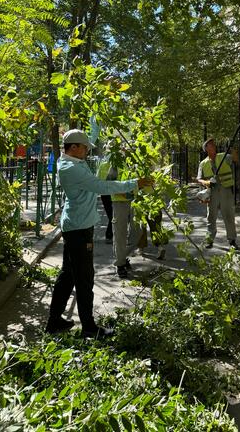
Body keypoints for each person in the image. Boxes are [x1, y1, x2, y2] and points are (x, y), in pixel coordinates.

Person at [45, 129, 151, 338]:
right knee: (84, 278)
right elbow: (100, 186)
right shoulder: (71, 168)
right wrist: (134, 183)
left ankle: (54, 321)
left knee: (68, 275)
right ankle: (89, 328)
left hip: (75, 224)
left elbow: (95, 183)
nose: (87, 151)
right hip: (79, 229)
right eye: (84, 147)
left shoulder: (71, 162)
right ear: (73, 147)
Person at [197, 137, 238, 250]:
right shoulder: (203, 163)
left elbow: (235, 159)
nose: (214, 145)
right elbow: (198, 178)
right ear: (206, 148)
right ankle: (209, 240)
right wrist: (206, 182)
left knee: (229, 216)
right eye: (211, 144)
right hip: (212, 193)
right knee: (211, 217)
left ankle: (232, 240)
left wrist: (232, 148)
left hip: (226, 191)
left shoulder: (224, 156)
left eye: (214, 144)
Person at [97, 148, 113, 244]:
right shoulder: (119, 164)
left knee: (111, 215)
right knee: (112, 215)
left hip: (105, 193)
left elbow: (98, 178)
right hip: (113, 193)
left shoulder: (102, 165)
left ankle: (110, 235)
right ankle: (109, 235)